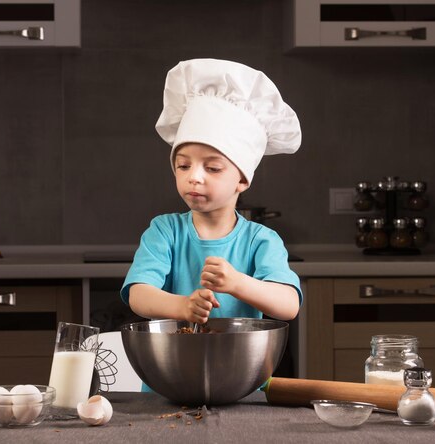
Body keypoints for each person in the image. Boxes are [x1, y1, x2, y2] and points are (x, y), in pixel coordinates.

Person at [121, 58, 302, 325]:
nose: (194, 177)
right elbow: (138, 295)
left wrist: (237, 283)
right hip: (175, 364)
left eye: (213, 168)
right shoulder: (165, 231)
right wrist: (183, 306)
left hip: (243, 365)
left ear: (242, 180)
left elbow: (288, 306)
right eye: (183, 165)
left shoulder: (261, 240)